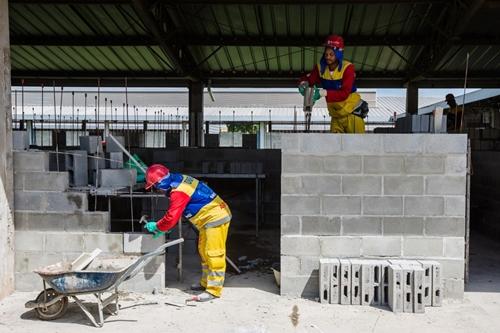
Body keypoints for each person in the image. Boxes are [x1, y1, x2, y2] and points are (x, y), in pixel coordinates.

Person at [144, 164, 231, 302]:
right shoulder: (177, 179)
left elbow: (172, 217)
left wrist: (158, 226)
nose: (156, 190)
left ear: (161, 183)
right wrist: (163, 227)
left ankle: (214, 291)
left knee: (213, 253)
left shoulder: (178, 191)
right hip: (207, 219)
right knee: (203, 251)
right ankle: (205, 284)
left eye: (155, 186)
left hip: (215, 218)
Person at [299, 34, 366, 133]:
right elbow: (309, 79)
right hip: (336, 116)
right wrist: (303, 84)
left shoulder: (347, 68)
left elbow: (344, 93)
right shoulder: (321, 68)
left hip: (352, 114)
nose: (328, 57)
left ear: (338, 53)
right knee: (334, 147)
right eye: (326, 54)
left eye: (331, 54)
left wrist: (322, 93)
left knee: (357, 146)